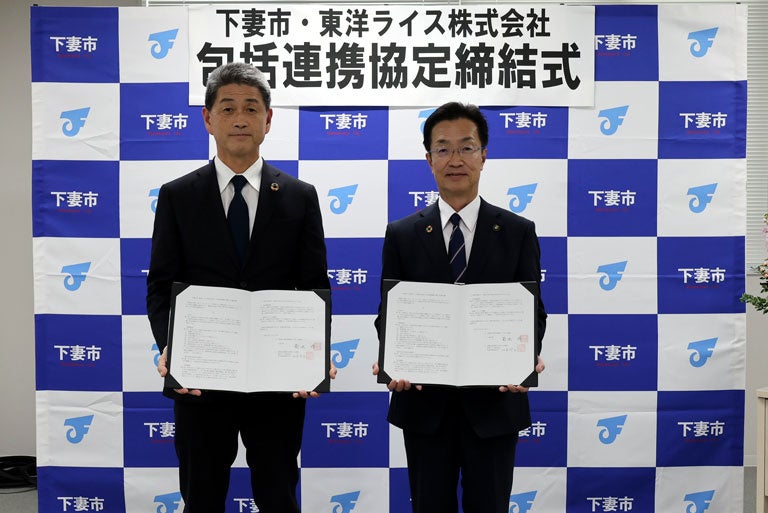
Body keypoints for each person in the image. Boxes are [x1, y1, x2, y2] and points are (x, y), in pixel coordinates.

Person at [146, 62, 332, 513]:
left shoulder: (299, 196)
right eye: (227, 108)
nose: (240, 119)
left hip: (277, 381)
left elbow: (313, 286)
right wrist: (173, 348)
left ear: (269, 120)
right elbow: (161, 285)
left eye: (252, 108)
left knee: (278, 494)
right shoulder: (177, 195)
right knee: (202, 495)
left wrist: (314, 353)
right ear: (208, 119)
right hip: (200, 379)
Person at [374, 102, 547, 513]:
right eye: (443, 149)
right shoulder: (402, 234)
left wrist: (525, 357)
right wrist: (393, 361)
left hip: (495, 404)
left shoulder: (518, 231)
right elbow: (390, 314)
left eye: (466, 148)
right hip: (423, 404)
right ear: (429, 159)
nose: (455, 160)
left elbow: (533, 312)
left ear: (484, 155)